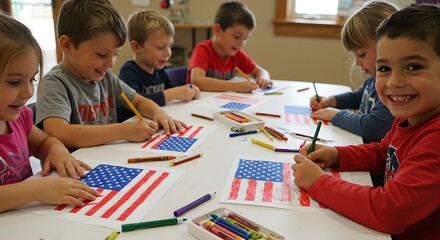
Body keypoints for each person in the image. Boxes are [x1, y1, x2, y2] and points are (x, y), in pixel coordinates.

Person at [292, 4, 440, 239]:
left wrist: (319, 183)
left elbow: (390, 210)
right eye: (384, 68)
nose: (394, 81)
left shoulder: (435, 138)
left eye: (413, 67)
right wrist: (338, 155)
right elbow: (384, 152)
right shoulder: (410, 117)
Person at [36, 0, 187, 150]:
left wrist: (159, 114)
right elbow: (59, 133)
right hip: (73, 168)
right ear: (67, 45)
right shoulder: (54, 83)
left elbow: (139, 101)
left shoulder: (106, 78)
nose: (111, 63)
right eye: (102, 54)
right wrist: (124, 130)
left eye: (115, 54)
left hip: (106, 157)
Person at [0, 13, 98, 212]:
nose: (29, 92)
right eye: (14, 82)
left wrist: (56, 150)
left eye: (32, 79)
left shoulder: (20, 118)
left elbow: (45, 142)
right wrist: (36, 190)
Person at [310, 1, 396, 143]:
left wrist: (335, 115)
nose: (357, 63)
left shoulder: (392, 89)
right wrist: (331, 101)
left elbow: (373, 126)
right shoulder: (373, 81)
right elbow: (358, 97)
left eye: (361, 54)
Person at [117, 9, 200, 122]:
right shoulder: (128, 71)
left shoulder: (158, 69)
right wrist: (174, 93)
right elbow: (138, 102)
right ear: (136, 47)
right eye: (161, 47)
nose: (168, 53)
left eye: (170, 46)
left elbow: (173, 88)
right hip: (133, 125)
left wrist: (188, 90)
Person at [188, 1, 272, 92]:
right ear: (218, 29)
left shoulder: (236, 54)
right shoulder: (203, 50)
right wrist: (236, 86)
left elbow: (261, 71)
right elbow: (197, 81)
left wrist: (264, 78)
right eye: (237, 36)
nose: (241, 43)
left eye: (245, 38)